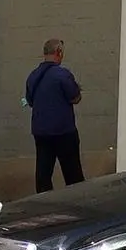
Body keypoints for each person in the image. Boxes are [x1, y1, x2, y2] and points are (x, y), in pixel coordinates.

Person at [24, 38, 84, 194]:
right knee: (73, 175)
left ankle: (44, 203)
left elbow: (30, 101)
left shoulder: (33, 76)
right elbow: (75, 97)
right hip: (64, 131)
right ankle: (78, 204)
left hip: (41, 132)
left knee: (43, 174)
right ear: (59, 52)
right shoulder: (62, 75)